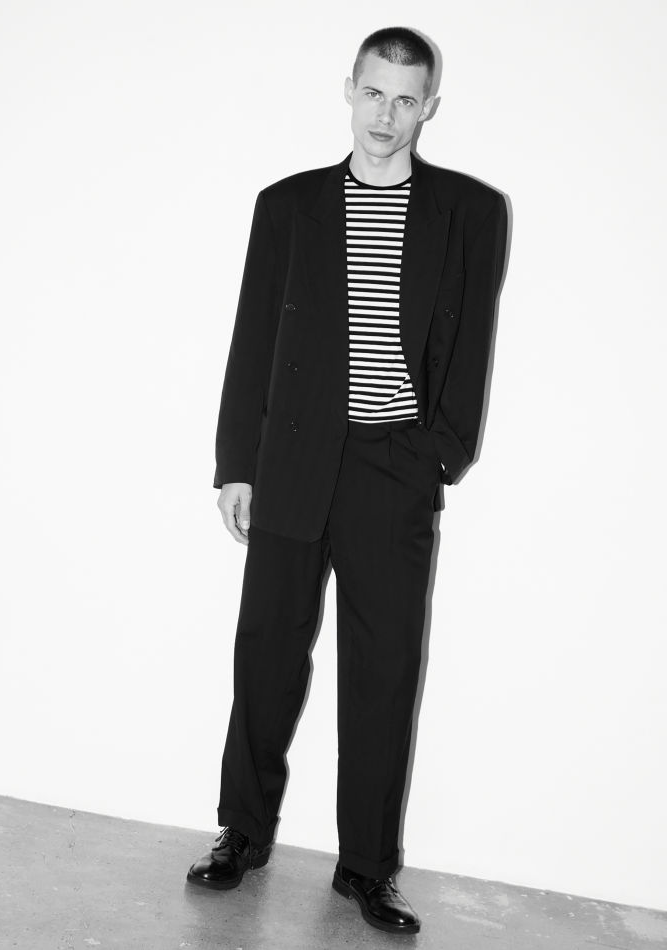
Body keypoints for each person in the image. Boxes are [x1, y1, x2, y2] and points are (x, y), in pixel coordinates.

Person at [186, 25, 508, 937]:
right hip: (291, 462)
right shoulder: (287, 206)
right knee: (267, 653)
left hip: (392, 468)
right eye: (374, 93)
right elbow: (254, 335)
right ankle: (242, 834)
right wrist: (236, 465)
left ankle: (366, 868)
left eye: (406, 99)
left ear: (429, 107)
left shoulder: (468, 212)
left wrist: (440, 455)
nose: (387, 115)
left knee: (384, 671)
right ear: (349, 90)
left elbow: (471, 344)